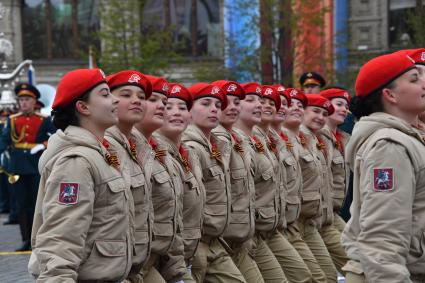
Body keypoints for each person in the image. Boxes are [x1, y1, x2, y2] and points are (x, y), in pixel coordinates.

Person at [28, 69, 134, 281]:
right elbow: (61, 237)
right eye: (105, 94)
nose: (114, 100)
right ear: (83, 107)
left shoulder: (99, 154)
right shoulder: (76, 162)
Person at [342, 51, 425, 283]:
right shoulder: (390, 146)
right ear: (390, 95)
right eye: (413, 79)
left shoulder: (407, 138)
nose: (423, 83)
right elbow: (382, 236)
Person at [181, 82, 247, 283]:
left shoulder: (218, 146)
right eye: (206, 103)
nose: (214, 109)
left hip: (217, 240)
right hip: (197, 243)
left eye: (218, 105)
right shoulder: (190, 147)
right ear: (189, 111)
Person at [254, 85, 314, 283]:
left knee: (310, 276)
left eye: (275, 103)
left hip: (283, 223)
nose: (269, 106)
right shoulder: (247, 142)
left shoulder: (276, 140)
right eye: (262, 102)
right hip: (256, 231)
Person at [105, 70, 157, 283]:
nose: (136, 101)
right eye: (126, 95)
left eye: (141, 97)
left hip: (140, 262)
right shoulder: (105, 147)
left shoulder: (139, 146)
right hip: (112, 269)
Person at [234, 82, 288, 283]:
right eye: (252, 100)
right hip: (243, 235)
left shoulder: (265, 141)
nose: (260, 105)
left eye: (264, 101)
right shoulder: (235, 143)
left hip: (270, 227)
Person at [211, 80, 263, 283]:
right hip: (221, 239)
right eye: (225, 102)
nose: (232, 107)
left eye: (236, 102)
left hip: (245, 234)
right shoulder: (212, 142)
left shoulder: (238, 140)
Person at [155, 82, 203, 283]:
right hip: (161, 259)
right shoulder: (152, 153)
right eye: (168, 106)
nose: (176, 113)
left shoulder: (189, 153)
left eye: (182, 108)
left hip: (190, 252)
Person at [0, 83, 56, 251]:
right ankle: (26, 239)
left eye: (27, 99)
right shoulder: (12, 120)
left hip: (36, 165)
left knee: (38, 204)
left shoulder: (43, 120)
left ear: (34, 101)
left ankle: (40, 238)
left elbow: (55, 137)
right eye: (21, 100)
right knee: (22, 204)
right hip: (17, 167)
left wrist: (43, 145)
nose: (24, 103)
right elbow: (4, 140)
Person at [282, 88, 328, 283]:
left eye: (300, 105)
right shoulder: (278, 140)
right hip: (287, 223)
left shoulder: (308, 140)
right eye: (289, 104)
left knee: (325, 276)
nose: (295, 108)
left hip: (309, 219)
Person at [319, 88, 351, 232]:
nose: (344, 109)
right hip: (321, 213)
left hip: (336, 211)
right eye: (339, 104)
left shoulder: (345, 138)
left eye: (346, 106)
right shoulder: (317, 136)